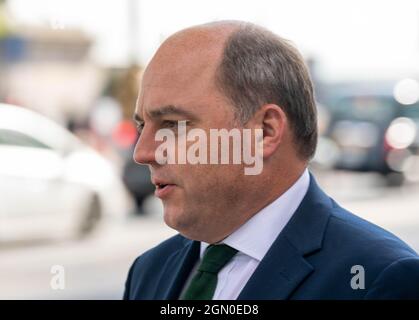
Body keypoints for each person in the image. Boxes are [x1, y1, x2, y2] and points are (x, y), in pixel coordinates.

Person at [123, 20, 419, 300]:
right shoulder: (149, 271)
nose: (143, 152)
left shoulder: (379, 278)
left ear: (265, 131)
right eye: (141, 126)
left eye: (173, 124)